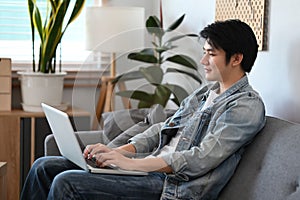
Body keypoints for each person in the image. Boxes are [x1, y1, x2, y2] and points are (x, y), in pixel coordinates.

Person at [21, 19, 266, 200]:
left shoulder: (246, 106)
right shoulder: (205, 93)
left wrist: (130, 165)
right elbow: (164, 127)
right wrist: (118, 152)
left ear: (236, 59)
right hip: (149, 169)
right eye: (204, 53)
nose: (203, 61)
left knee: (67, 183)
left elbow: (199, 158)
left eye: (211, 54)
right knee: (43, 166)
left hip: (173, 186)